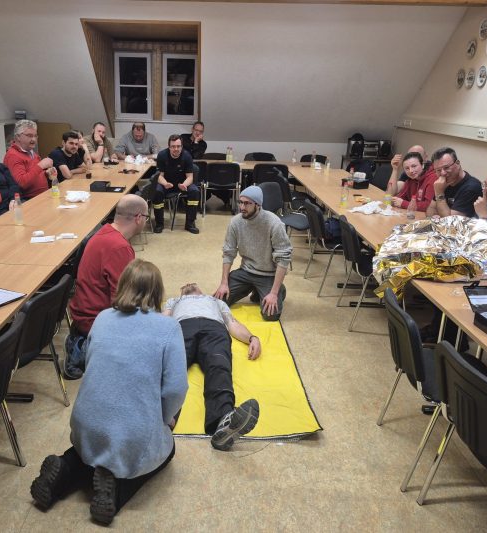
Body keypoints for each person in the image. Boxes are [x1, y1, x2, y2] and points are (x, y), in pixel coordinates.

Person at [30, 259, 187, 526]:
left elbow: (92, 363)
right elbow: (175, 388)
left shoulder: (102, 318)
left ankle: (62, 471)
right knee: (166, 450)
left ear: (122, 286)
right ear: (157, 292)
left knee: (90, 453)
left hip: (85, 424)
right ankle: (116, 488)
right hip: (131, 432)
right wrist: (164, 420)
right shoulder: (169, 328)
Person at [163, 282, 260, 451]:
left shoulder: (216, 301)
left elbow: (232, 324)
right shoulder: (174, 301)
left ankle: (223, 422)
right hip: (181, 326)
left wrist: (252, 338)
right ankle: (162, 420)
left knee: (219, 366)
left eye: (192, 284)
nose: (189, 284)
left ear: (202, 291)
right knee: (171, 369)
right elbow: (163, 320)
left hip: (214, 329)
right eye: (185, 285)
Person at [65, 195, 149, 378]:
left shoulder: (104, 232)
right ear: (138, 218)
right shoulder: (120, 247)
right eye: (146, 218)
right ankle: (85, 347)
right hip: (95, 322)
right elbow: (123, 300)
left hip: (82, 316)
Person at [213, 186, 292, 321]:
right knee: (217, 303)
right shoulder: (235, 222)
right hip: (245, 272)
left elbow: (283, 258)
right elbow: (228, 252)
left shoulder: (274, 223)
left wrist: (273, 293)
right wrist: (224, 283)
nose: (242, 207)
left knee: (271, 315)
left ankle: (279, 289)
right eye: (240, 202)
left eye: (247, 203)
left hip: (268, 275)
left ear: (258, 204)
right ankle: (256, 289)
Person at [153, 134, 200, 234]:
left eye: (178, 146)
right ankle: (159, 224)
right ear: (169, 147)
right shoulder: (162, 155)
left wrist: (184, 185)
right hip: (166, 184)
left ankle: (190, 224)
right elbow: (159, 176)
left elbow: (190, 177)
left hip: (182, 184)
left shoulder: (187, 156)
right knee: (157, 192)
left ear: (182, 147)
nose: (176, 149)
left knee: (194, 191)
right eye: (173, 146)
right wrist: (165, 183)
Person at [3, 119, 57, 199]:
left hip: (43, 196)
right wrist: (40, 166)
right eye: (29, 135)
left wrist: (46, 173)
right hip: (29, 200)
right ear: (18, 137)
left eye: (35, 136)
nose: (34, 139)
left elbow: (33, 174)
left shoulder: (30, 151)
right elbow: (21, 183)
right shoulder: (12, 156)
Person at [427, 147, 482, 218]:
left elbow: (451, 221)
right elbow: (430, 211)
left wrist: (439, 193)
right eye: (438, 170)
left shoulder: (472, 187)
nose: (443, 173)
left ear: (457, 163)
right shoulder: (443, 183)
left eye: (446, 167)